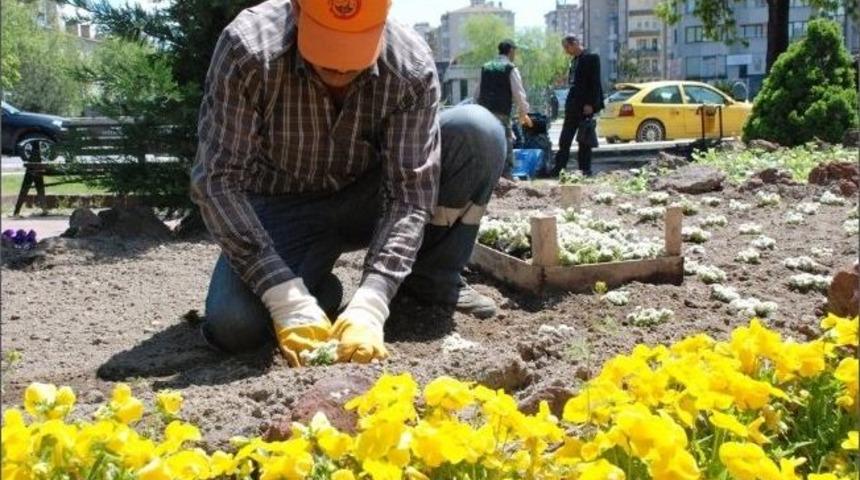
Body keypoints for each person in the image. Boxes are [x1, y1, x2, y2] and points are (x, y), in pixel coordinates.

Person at [190, 0, 506, 367]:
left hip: (367, 200)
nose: (340, 65)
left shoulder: (410, 64)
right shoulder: (248, 49)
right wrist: (283, 296)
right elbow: (217, 180)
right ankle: (314, 292)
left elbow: (408, 193)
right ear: (297, 10)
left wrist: (373, 299)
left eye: (354, 46)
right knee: (236, 325)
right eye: (326, 45)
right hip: (281, 210)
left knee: (477, 133)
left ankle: (426, 283)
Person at [475, 39, 533, 179]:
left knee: (487, 142)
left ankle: (486, 176)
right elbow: (518, 93)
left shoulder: (486, 67)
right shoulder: (510, 68)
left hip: (484, 113)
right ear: (511, 50)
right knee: (506, 141)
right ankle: (506, 175)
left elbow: (477, 91)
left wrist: (476, 108)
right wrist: (524, 112)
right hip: (501, 112)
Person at [551, 35, 604, 177]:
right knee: (565, 138)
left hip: (585, 106)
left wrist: (590, 104)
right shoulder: (574, 61)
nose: (566, 51)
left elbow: (595, 83)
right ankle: (559, 168)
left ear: (574, 43)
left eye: (567, 47)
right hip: (573, 105)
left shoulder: (592, 57)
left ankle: (585, 170)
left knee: (584, 140)